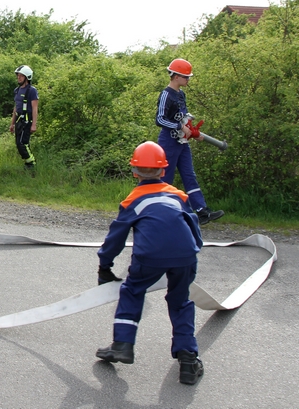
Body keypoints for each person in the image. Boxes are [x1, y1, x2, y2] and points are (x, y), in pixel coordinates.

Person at [95, 141, 205, 385]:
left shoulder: (132, 200)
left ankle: (122, 345)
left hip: (150, 257)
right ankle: (188, 360)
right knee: (180, 301)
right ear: (163, 170)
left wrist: (105, 265)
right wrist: (193, 250)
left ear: (134, 172)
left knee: (133, 290)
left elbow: (116, 238)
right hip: (186, 255)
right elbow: (194, 226)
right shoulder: (178, 195)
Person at [156, 58, 224, 225]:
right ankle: (158, 212)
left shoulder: (181, 95)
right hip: (168, 142)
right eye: (186, 77)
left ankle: (201, 211)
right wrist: (179, 126)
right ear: (176, 76)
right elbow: (160, 119)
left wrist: (194, 133)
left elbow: (184, 119)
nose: (188, 80)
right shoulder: (166, 95)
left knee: (189, 175)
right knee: (166, 177)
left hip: (182, 142)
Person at [8, 65, 38, 170]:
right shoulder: (17, 90)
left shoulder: (32, 91)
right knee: (20, 143)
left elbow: (35, 108)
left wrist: (34, 124)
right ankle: (28, 164)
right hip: (18, 121)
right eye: (18, 75)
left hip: (27, 120)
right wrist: (12, 124)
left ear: (27, 77)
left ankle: (31, 163)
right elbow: (16, 108)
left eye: (21, 76)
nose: (18, 77)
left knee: (22, 143)